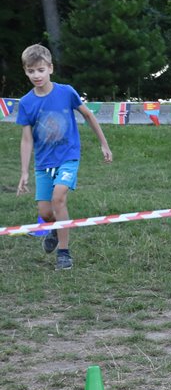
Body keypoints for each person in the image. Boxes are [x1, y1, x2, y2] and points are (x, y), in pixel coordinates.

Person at [15, 44, 113, 270]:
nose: (36, 75)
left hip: (68, 156)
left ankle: (64, 252)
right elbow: (26, 140)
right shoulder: (26, 103)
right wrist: (24, 172)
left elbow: (88, 116)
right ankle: (54, 229)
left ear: (50, 68)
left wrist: (104, 144)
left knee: (59, 198)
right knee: (45, 212)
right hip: (43, 163)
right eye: (31, 71)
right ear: (25, 71)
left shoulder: (66, 92)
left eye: (41, 70)